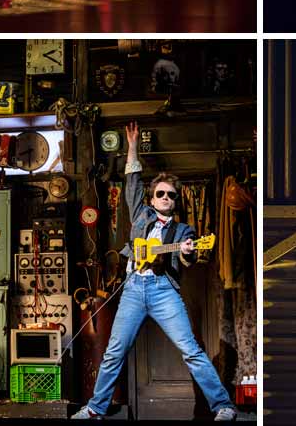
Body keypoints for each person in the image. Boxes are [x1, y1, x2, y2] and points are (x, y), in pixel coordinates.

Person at [71, 122, 236, 421]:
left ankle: (223, 406)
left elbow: (187, 261)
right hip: (134, 289)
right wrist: (131, 147)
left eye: (171, 195)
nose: (166, 198)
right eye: (161, 193)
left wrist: (187, 252)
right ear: (151, 198)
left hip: (163, 291)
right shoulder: (140, 214)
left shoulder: (183, 229)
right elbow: (132, 182)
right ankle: (95, 409)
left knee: (192, 351)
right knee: (113, 353)